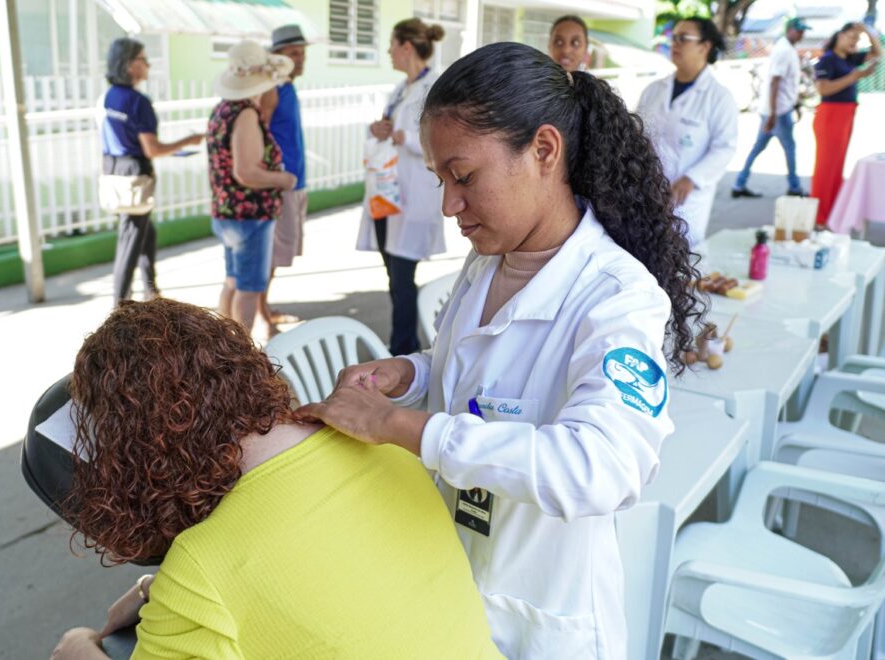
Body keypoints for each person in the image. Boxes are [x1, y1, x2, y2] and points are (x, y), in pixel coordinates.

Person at [299, 42, 703, 659]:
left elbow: (599, 468)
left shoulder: (616, 298)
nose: (448, 206)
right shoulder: (490, 259)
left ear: (543, 150)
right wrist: (408, 373)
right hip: (453, 588)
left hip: (539, 621)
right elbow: (477, 374)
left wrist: (400, 425)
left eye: (464, 177)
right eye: (441, 180)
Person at [49, 299, 502, 659]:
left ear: (137, 445)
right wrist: (161, 594)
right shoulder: (384, 446)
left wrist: (77, 647)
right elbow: (326, 577)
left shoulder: (201, 566)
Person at [357, 18, 446, 356]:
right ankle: (404, 344)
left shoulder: (434, 88)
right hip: (387, 194)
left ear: (406, 46)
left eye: (392, 45)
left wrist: (401, 136)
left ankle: (402, 351)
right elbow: (392, 129)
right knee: (394, 277)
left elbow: (438, 143)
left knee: (402, 276)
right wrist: (379, 128)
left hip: (412, 197)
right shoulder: (401, 89)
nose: (388, 52)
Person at [101, 38, 204, 306]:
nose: (148, 64)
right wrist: (188, 140)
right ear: (130, 65)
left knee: (146, 233)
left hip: (114, 168)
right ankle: (120, 305)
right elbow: (153, 149)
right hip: (135, 172)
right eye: (143, 59)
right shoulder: (138, 102)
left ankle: (151, 292)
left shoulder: (109, 96)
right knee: (131, 240)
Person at [207, 41, 298, 332]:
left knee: (233, 281)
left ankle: (222, 349)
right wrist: (283, 179)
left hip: (227, 212)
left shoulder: (222, 110)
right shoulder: (245, 114)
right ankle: (237, 355)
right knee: (248, 289)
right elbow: (246, 172)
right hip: (249, 215)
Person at [637, 17, 738, 247]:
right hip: (646, 194)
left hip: (686, 202)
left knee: (680, 261)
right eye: (674, 38)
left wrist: (692, 178)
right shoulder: (653, 90)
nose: (675, 44)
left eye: (683, 39)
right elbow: (636, 136)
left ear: (705, 46)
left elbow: (724, 148)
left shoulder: (719, 98)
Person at [259, 24, 311, 334]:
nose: (301, 59)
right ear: (278, 57)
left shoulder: (287, 85)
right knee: (269, 255)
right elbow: (258, 132)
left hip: (294, 181)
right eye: (294, 54)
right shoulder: (272, 87)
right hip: (281, 185)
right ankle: (262, 317)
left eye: (302, 53)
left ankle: (264, 308)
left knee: (276, 255)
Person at [732, 17, 811, 199]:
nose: (802, 34)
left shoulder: (787, 48)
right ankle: (794, 187)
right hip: (778, 111)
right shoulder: (784, 50)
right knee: (789, 148)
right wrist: (774, 114)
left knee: (758, 147)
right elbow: (775, 82)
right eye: (799, 30)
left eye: (803, 31)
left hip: (776, 109)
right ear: (789, 29)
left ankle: (739, 183)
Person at [811, 21, 880, 226]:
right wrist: (854, 77)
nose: (854, 41)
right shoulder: (827, 60)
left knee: (837, 166)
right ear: (839, 36)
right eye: (850, 36)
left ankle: (832, 210)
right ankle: (819, 215)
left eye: (856, 39)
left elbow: (878, 53)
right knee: (826, 167)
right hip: (831, 114)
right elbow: (823, 90)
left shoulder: (850, 58)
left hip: (846, 114)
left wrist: (867, 31)